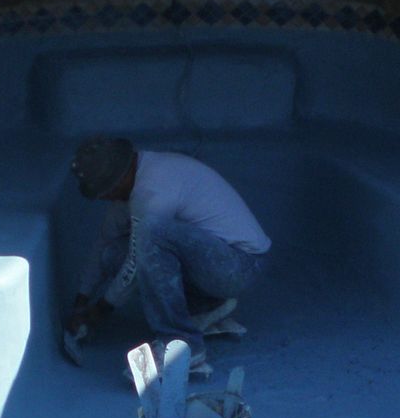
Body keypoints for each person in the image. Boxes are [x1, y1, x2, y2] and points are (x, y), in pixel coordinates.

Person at [62, 135, 270, 372]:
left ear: (117, 181)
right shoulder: (134, 182)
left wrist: (100, 310)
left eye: (104, 192)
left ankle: (181, 345)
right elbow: (104, 242)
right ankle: (204, 306)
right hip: (214, 261)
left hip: (240, 265)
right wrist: (81, 301)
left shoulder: (153, 190)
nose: (104, 198)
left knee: (151, 232)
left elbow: (135, 264)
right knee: (112, 254)